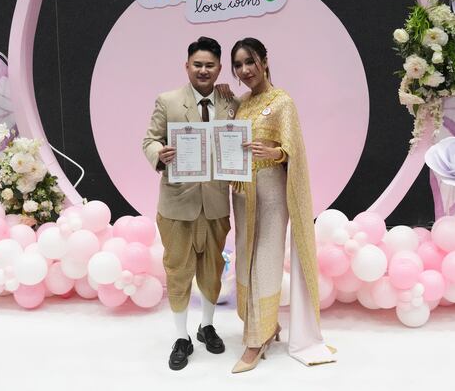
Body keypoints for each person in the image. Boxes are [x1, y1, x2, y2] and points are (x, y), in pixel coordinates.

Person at [229, 37, 336, 373]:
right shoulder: (242, 103)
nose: (245, 70)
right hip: (242, 193)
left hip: (272, 192)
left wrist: (274, 153)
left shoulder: (282, 102)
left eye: (250, 61)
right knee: (245, 258)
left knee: (265, 260)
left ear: (264, 60)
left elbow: (293, 150)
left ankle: (255, 342)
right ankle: (266, 325)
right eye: (238, 64)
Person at [142, 36, 239, 371]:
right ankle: (181, 336)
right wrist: (159, 153)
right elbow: (149, 140)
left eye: (209, 65)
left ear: (219, 68)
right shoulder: (167, 101)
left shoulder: (230, 103)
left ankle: (206, 326)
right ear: (187, 66)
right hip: (176, 204)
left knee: (212, 270)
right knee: (179, 271)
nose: (203, 70)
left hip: (215, 203)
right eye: (197, 64)